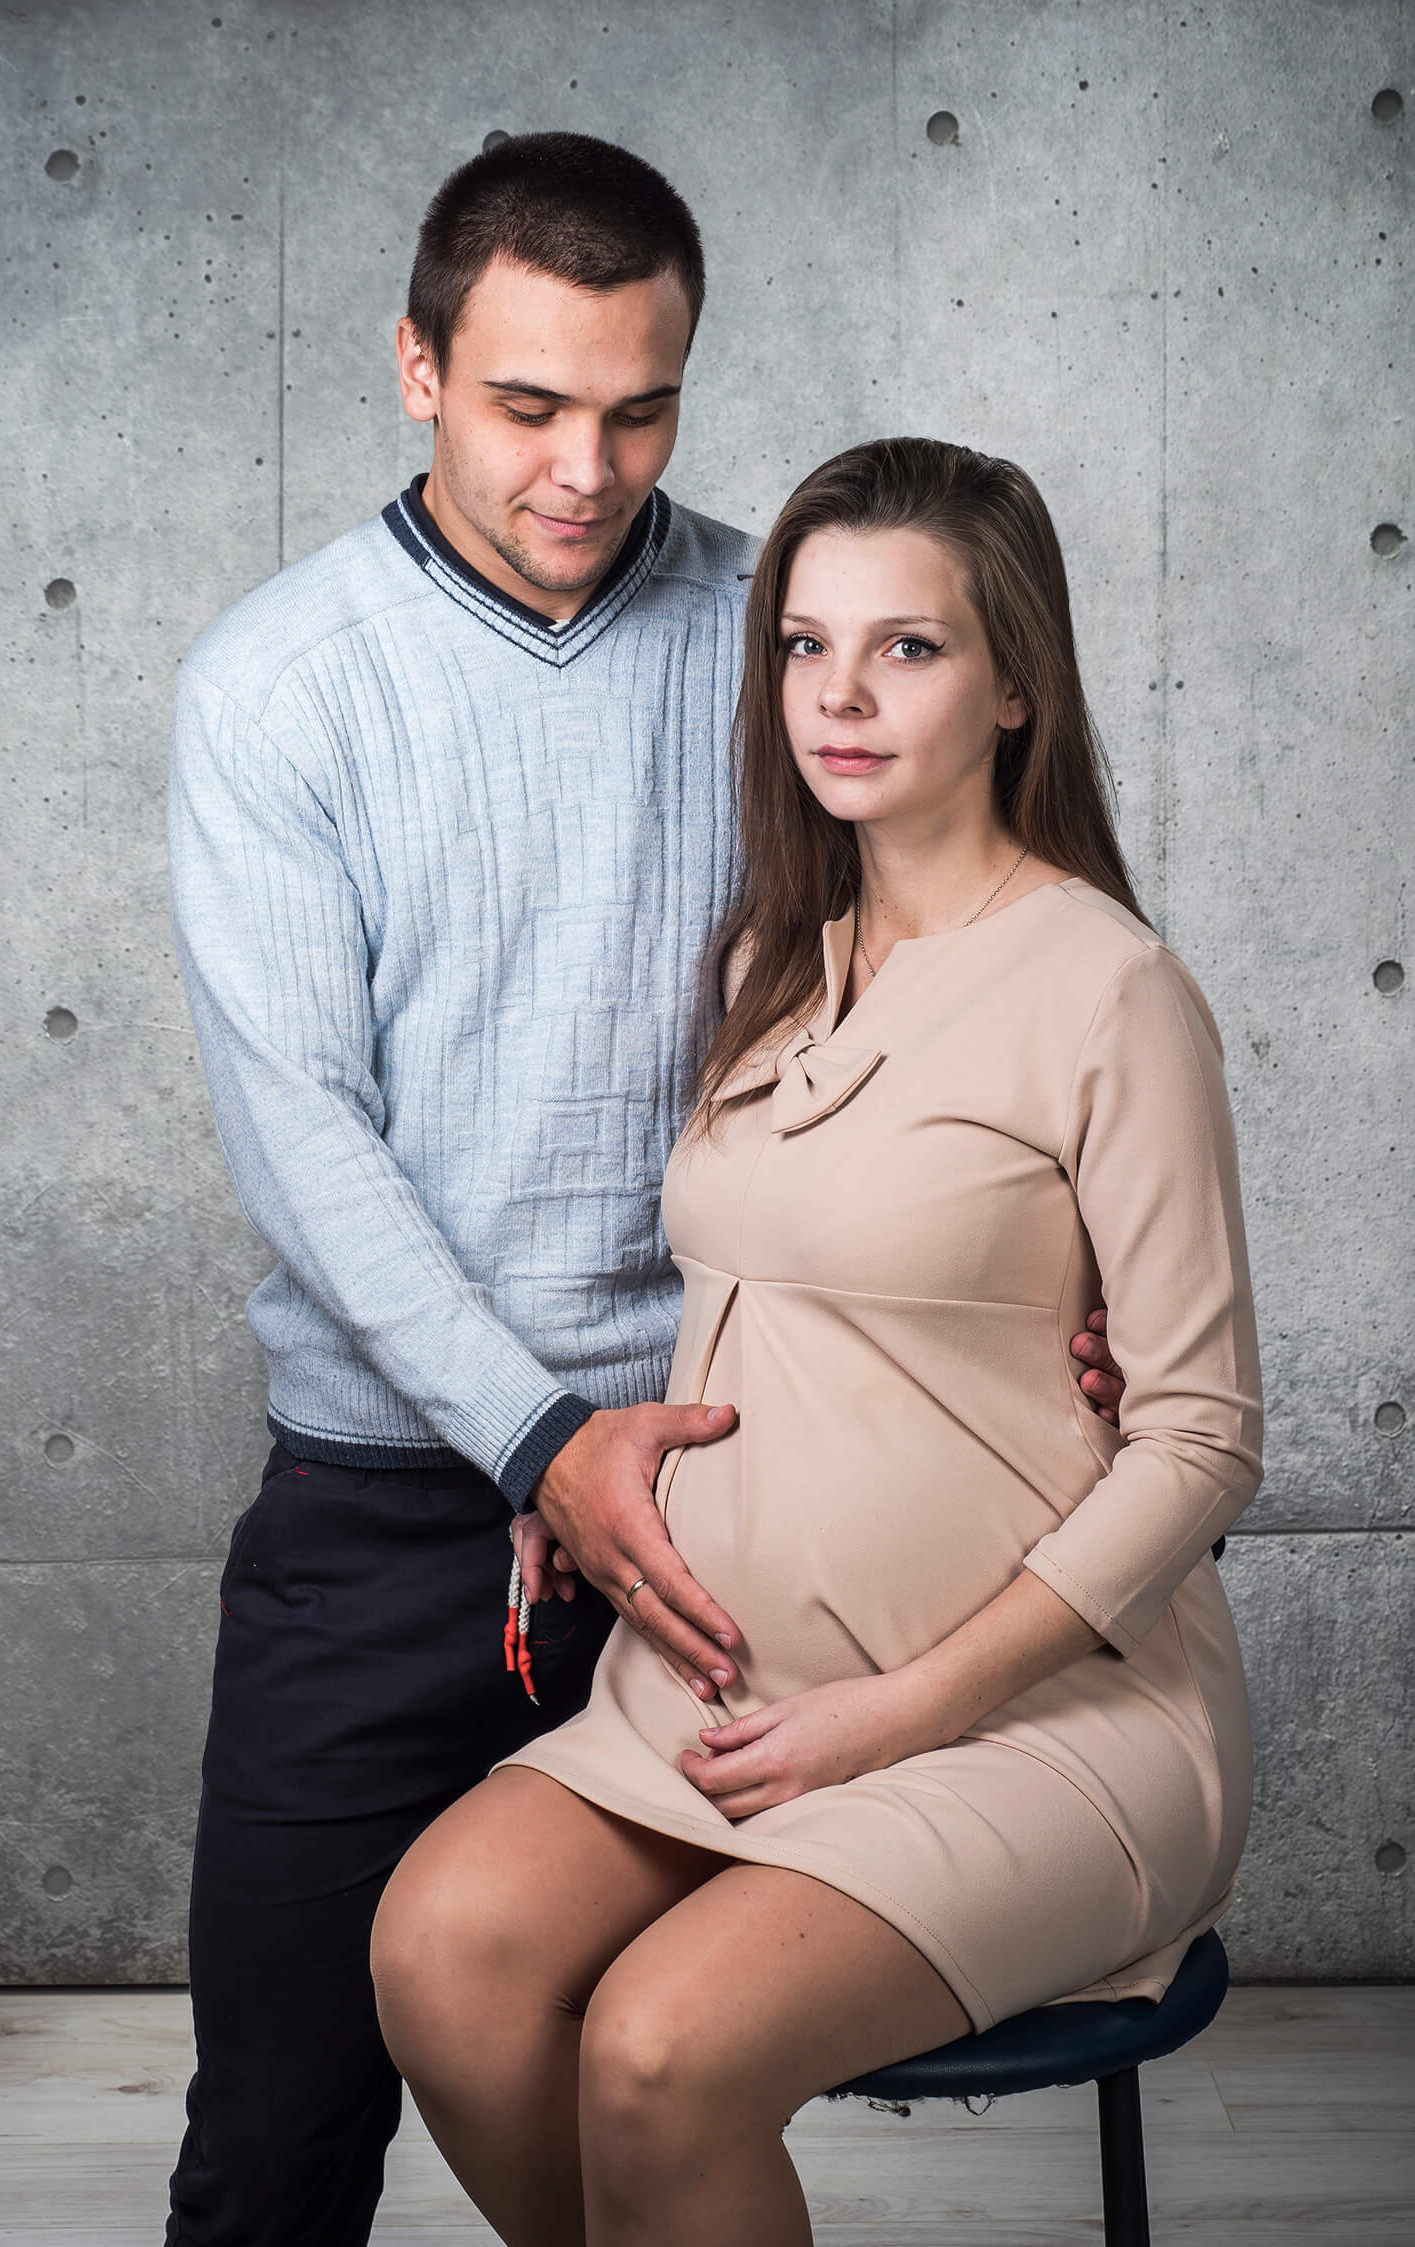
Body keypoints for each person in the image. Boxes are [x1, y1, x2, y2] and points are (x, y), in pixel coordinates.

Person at [165, 131, 1124, 2243]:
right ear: (415, 367)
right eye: (526, 404)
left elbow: (971, 961)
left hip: (750, 1482)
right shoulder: (276, 687)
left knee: (658, 2058)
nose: (586, 466)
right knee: (276, 2137)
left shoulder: (784, 643)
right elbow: (303, 1130)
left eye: (640, 404)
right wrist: (537, 1440)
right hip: (398, 1502)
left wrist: (1061, 1262)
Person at [369, 435, 1262, 2247]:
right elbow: (767, 1300)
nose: (838, 694)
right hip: (720, 1695)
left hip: (1022, 1725)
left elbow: (1201, 1435)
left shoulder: (1109, 991)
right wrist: (601, 1460)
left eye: (909, 649)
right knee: (438, 1954)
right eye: (801, 642)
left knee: (659, 2051)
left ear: (1018, 683)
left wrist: (904, 1713)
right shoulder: (770, 961)